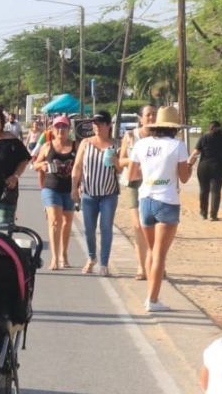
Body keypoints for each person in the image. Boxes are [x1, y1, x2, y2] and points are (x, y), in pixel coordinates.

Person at [128, 104, 192, 313]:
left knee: (151, 250)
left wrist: (151, 177)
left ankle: (151, 295)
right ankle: (153, 300)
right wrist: (189, 164)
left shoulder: (142, 144)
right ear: (173, 127)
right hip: (167, 200)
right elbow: (184, 177)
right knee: (160, 254)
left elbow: (131, 175)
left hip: (145, 198)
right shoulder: (178, 146)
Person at [70, 112, 121, 276]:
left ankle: (104, 263)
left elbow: (122, 170)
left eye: (100, 123)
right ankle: (92, 257)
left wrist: (116, 162)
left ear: (108, 125)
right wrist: (74, 187)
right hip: (89, 193)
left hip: (109, 193)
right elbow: (77, 167)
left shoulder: (116, 144)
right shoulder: (86, 143)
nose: (96, 126)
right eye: (94, 123)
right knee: (88, 229)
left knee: (106, 228)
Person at [32, 115, 77, 271]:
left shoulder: (75, 146)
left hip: (70, 188)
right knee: (55, 221)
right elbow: (35, 164)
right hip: (51, 187)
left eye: (64, 127)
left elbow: (81, 167)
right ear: (52, 129)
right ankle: (54, 258)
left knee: (67, 222)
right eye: (57, 127)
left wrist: (79, 186)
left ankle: (64, 255)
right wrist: (42, 164)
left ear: (69, 129)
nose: (60, 130)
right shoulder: (47, 146)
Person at [119, 104, 158, 280]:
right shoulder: (130, 136)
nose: (151, 118)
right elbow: (121, 161)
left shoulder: (161, 136)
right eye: (148, 115)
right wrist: (137, 160)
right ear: (140, 118)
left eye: (154, 115)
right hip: (134, 183)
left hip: (155, 185)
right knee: (138, 225)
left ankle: (156, 262)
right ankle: (142, 267)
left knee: (154, 226)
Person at [194, 120, 222, 220]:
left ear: (209, 128)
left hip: (203, 167)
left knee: (203, 190)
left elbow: (196, 152)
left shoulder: (203, 138)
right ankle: (213, 215)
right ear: (220, 128)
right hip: (218, 167)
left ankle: (203, 213)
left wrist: (189, 163)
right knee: (215, 192)